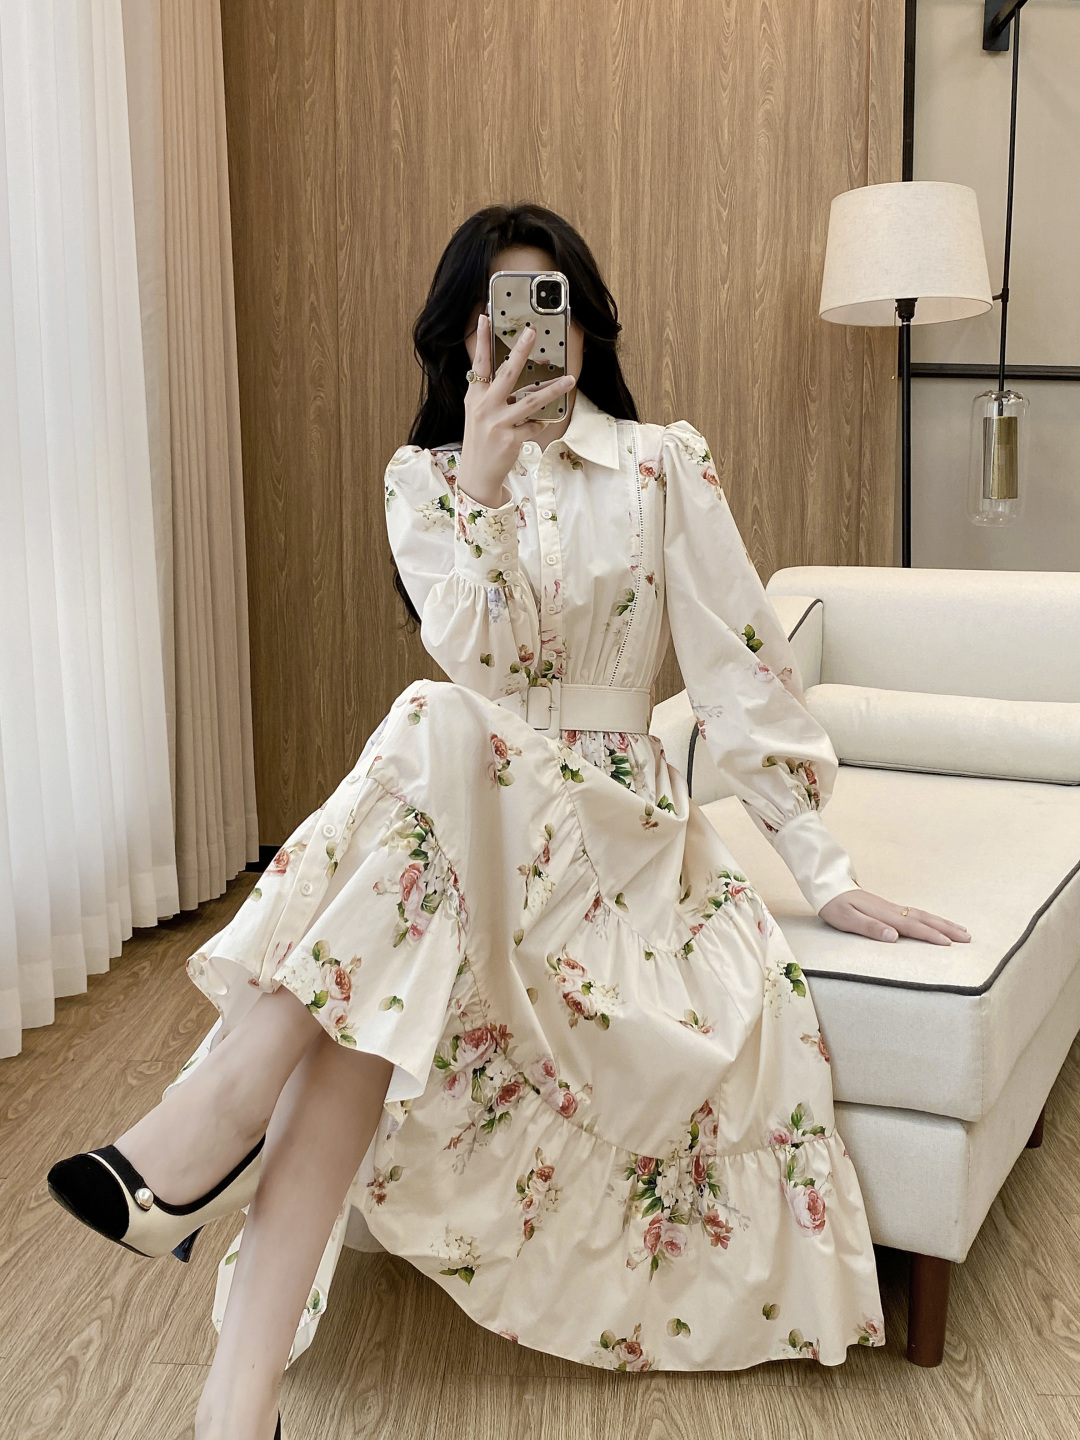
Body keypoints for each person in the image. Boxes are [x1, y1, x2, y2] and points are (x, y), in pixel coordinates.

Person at [46, 203, 970, 1440]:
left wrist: (824, 863)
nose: (537, 336)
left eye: (557, 306)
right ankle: (237, 1406)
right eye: (507, 315)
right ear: (466, 339)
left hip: (616, 839)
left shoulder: (658, 465)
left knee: (423, 754)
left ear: (588, 324)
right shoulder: (425, 482)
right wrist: (479, 485)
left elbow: (742, 668)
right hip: (474, 822)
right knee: (409, 842)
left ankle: (217, 1121)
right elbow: (477, 665)